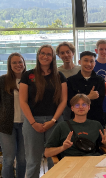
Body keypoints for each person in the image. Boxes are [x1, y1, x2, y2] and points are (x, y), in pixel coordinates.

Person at [20, 44, 67, 178]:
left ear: (53, 58)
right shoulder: (28, 75)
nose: (45, 56)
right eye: (42, 53)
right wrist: (33, 123)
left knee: (54, 160)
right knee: (33, 161)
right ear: (38, 55)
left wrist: (53, 121)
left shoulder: (59, 76)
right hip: (32, 122)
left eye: (48, 54)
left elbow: (63, 100)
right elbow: (23, 101)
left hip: (55, 121)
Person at [44, 94, 106, 158]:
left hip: (94, 160)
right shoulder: (62, 126)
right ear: (72, 108)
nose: (81, 107)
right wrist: (63, 147)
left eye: (84, 104)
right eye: (77, 105)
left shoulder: (96, 124)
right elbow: (47, 153)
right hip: (73, 163)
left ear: (89, 107)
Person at [0, 53, 26, 178]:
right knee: (8, 159)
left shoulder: (30, 80)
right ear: (9, 65)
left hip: (26, 125)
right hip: (6, 125)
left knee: (22, 159)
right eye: (14, 63)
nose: (18, 65)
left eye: (20, 62)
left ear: (24, 63)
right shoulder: (2, 81)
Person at [67, 51, 105, 126]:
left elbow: (99, 101)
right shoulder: (71, 80)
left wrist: (79, 100)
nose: (89, 64)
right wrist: (88, 97)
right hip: (76, 120)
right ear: (80, 62)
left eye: (91, 61)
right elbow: (70, 102)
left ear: (95, 63)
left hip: (96, 120)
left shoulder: (100, 80)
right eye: (86, 60)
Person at [56, 42, 81, 121]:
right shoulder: (57, 72)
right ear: (59, 56)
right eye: (62, 53)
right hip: (64, 107)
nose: (66, 55)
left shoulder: (81, 70)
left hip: (80, 105)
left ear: (73, 53)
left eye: (68, 52)